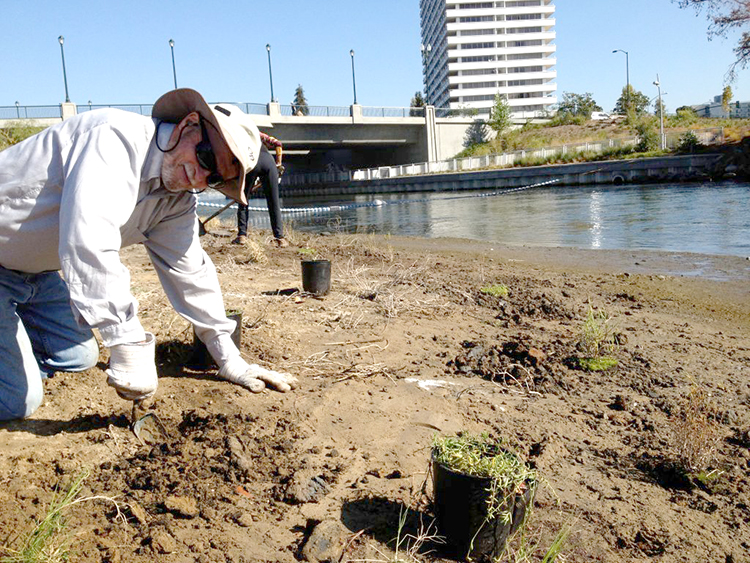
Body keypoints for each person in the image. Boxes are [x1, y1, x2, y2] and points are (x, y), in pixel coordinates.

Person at [0, 88, 298, 421]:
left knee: (79, 357)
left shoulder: (176, 199)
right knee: (17, 401)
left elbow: (191, 273)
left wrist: (229, 358)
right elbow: (88, 243)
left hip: (35, 276)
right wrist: (125, 339)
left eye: (214, 178)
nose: (200, 179)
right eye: (206, 158)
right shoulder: (113, 141)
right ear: (188, 125)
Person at [233, 131, 289, 247]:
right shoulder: (256, 133)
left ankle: (242, 236)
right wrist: (278, 163)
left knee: (243, 199)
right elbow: (278, 143)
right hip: (269, 162)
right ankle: (280, 238)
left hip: (251, 163)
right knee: (274, 202)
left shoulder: (236, 135)